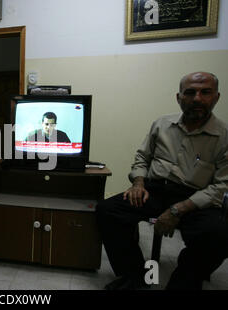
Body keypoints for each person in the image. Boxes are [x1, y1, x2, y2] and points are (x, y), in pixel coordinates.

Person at [96, 72, 228, 290]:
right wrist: (138, 183)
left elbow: (222, 185)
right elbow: (142, 158)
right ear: (179, 97)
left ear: (216, 97)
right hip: (155, 191)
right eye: (190, 92)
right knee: (108, 210)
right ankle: (136, 276)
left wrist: (178, 210)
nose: (197, 98)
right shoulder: (162, 124)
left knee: (220, 235)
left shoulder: (223, 137)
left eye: (205, 92)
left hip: (196, 201)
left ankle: (182, 283)